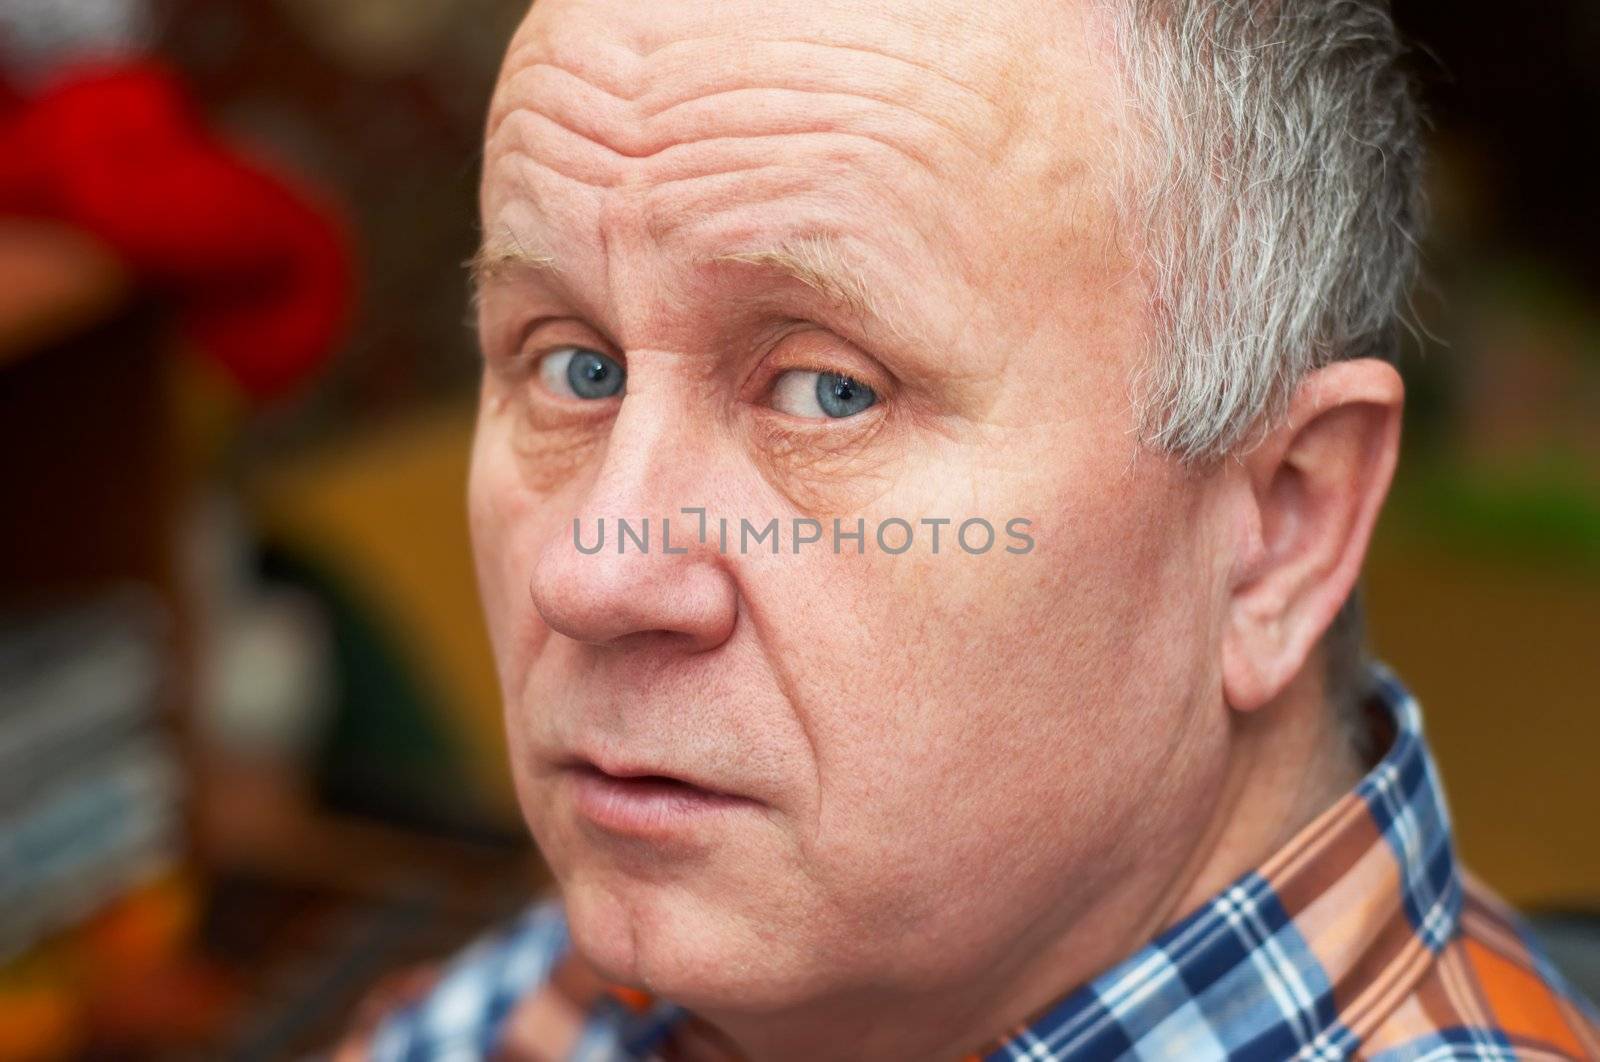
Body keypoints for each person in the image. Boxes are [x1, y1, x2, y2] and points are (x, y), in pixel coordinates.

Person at [342, 0, 1600, 1057]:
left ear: (1279, 526)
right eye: (575, 369)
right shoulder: (697, 955)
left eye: (831, 391)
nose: (589, 575)